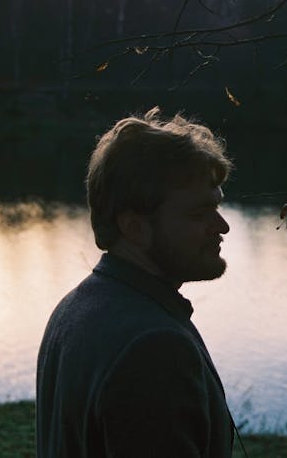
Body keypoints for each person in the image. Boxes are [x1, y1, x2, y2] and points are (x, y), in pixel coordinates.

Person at [36, 107, 235, 457]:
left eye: (217, 207)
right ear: (134, 227)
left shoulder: (73, 308)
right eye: (199, 213)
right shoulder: (155, 348)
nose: (222, 227)